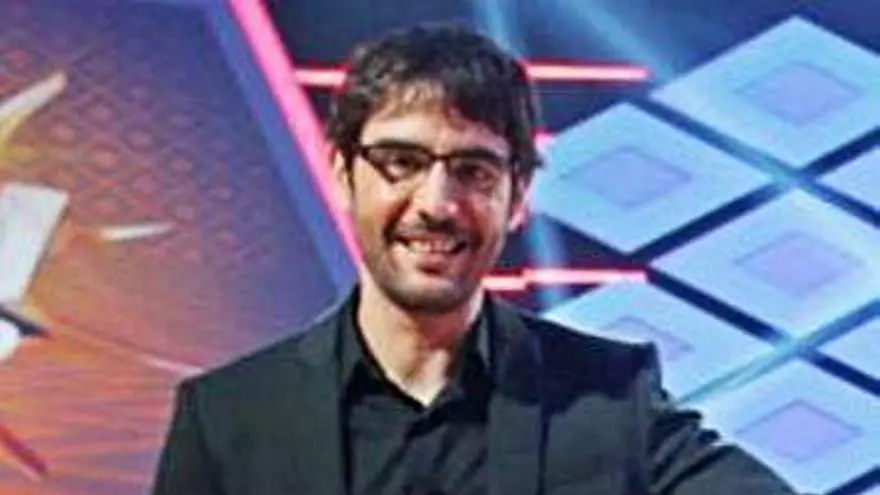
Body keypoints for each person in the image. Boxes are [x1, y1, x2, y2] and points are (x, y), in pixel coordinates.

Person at [152, 24, 801, 495]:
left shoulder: (608, 398)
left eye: (474, 170)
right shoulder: (229, 417)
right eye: (401, 162)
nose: (436, 203)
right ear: (344, 174)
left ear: (517, 196)